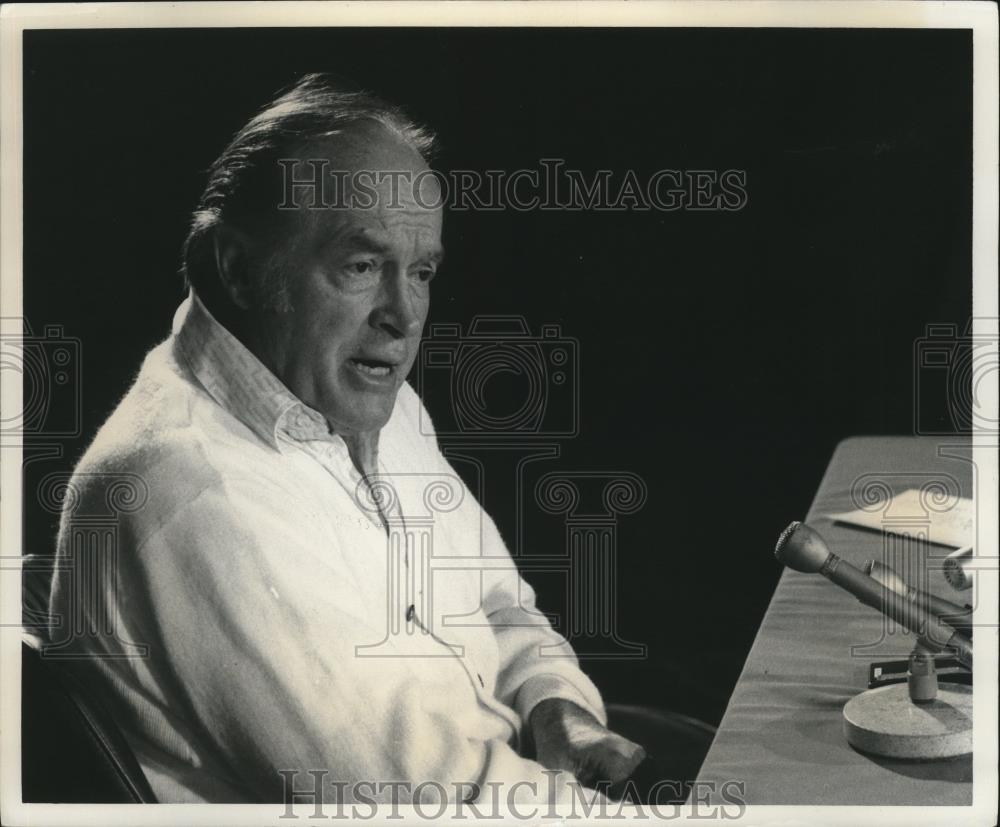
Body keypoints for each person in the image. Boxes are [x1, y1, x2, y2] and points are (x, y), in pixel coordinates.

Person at [46, 74, 647, 807]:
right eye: (361, 266)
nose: (403, 314)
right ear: (237, 267)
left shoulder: (366, 401)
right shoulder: (194, 488)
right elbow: (415, 801)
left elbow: (497, 601)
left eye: (421, 271)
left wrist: (558, 709)